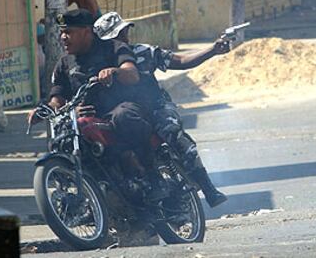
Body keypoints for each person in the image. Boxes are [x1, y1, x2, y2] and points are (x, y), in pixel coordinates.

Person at [94, 12, 243, 208]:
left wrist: (212, 50)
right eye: (115, 36)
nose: (122, 38)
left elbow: (180, 61)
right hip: (125, 117)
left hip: (156, 107)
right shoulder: (97, 66)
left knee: (172, 133)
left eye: (122, 32)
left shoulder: (142, 52)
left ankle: (208, 189)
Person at [27, 9, 152, 169]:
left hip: (119, 110)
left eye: (68, 32)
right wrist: (42, 111)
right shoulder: (64, 64)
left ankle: (152, 173)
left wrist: (115, 71)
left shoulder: (113, 48)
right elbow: (57, 100)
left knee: (123, 116)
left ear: (86, 32)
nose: (63, 37)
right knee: (66, 134)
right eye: (62, 32)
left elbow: (132, 74)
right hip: (89, 120)